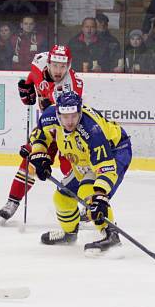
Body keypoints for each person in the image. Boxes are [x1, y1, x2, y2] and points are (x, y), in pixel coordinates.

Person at [28, 90, 133, 256]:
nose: (69, 122)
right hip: (84, 159)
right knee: (61, 197)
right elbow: (40, 135)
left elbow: (105, 165)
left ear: (80, 111)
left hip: (114, 151)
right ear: (58, 114)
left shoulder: (92, 130)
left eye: (74, 116)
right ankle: (69, 234)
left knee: (89, 193)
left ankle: (111, 234)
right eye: (65, 117)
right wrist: (39, 154)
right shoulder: (50, 116)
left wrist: (100, 195)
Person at [0, 45, 84, 221]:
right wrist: (27, 88)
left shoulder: (69, 87)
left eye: (62, 67)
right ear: (49, 62)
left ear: (68, 66)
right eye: (55, 65)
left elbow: (60, 117)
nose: (58, 70)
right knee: (29, 162)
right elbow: (33, 76)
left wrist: (35, 142)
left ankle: (86, 204)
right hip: (47, 124)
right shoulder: (39, 61)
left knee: (72, 167)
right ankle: (12, 201)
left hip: (68, 128)